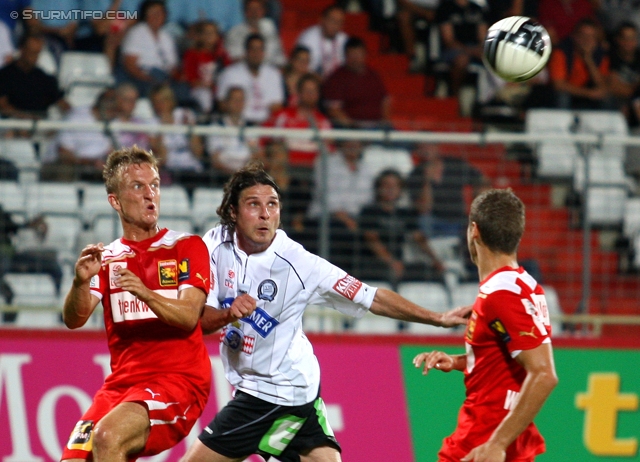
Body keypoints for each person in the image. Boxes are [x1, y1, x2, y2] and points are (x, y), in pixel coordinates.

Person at [181, 161, 471, 462]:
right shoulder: (215, 244)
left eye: (273, 205)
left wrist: (437, 318)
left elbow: (373, 298)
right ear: (232, 212)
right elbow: (199, 321)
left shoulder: (300, 264)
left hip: (271, 393)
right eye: (254, 205)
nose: (265, 214)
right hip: (294, 389)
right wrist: (229, 315)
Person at [60, 146, 256, 461]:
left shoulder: (185, 247)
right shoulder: (107, 258)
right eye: (138, 186)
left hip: (178, 382)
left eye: (155, 184)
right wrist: (80, 282)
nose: (150, 194)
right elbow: (75, 318)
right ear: (115, 201)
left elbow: (189, 317)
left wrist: (145, 292)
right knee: (74, 458)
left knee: (109, 436)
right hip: (122, 386)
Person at [413, 188, 558, 462]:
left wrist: (496, 444)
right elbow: (508, 355)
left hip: (484, 435)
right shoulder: (525, 285)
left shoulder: (501, 296)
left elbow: (544, 373)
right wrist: (459, 361)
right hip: (501, 431)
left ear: (474, 231)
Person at [359, 169, 445, 286]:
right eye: (386, 185)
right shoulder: (369, 212)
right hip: (374, 265)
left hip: (399, 265)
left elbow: (419, 239)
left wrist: (436, 261)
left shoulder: (404, 213)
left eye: (395, 186)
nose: (390, 189)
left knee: (432, 272)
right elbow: (372, 240)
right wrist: (391, 262)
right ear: (378, 188)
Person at [215, 33, 284, 125]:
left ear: (264, 52)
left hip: (265, 126)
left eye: (260, 49)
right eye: (253, 49)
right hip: (238, 123)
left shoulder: (274, 74)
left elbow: (277, 105)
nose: (256, 53)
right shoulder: (229, 73)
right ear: (246, 52)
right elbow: (221, 103)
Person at [322, 36, 390, 128]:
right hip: (353, 130)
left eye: (358, 55)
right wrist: (353, 127)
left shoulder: (373, 75)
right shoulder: (336, 78)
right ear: (345, 56)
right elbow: (333, 110)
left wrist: (385, 121)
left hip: (379, 127)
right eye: (352, 55)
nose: (356, 59)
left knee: (410, 141)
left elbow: (385, 100)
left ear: (365, 54)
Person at [0, 33, 69, 119]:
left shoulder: (45, 79)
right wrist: (27, 118)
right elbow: (3, 106)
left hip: (41, 126)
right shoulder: (4, 75)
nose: (35, 57)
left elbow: (61, 102)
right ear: (22, 49)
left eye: (37, 53)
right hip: (12, 125)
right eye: (32, 52)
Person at [548, 19, 612, 110]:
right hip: (568, 94)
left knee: (607, 98)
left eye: (591, 37)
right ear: (575, 36)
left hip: (587, 95)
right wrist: (589, 93)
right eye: (583, 36)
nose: (587, 40)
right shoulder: (561, 52)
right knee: (562, 97)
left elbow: (602, 85)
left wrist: (589, 60)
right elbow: (559, 85)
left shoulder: (601, 55)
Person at [435, 0, 488, 98]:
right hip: (453, 49)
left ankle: (491, 98)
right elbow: (448, 40)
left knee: (495, 58)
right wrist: (470, 51)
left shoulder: (477, 9)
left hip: (474, 48)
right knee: (462, 60)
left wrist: (479, 49)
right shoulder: (446, 8)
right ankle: (454, 94)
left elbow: (483, 37)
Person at [181, 20, 232, 114]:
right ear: (200, 36)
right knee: (205, 95)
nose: (210, 36)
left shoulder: (221, 55)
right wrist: (208, 85)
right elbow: (191, 80)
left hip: (218, 89)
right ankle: (205, 117)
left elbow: (229, 73)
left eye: (213, 33)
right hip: (200, 90)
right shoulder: (192, 54)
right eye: (207, 33)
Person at [225, 0, 286, 67]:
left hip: (271, 70)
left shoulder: (269, 26)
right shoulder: (234, 32)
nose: (255, 13)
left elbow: (279, 54)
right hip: (245, 70)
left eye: (258, 9)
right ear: (245, 12)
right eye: (251, 9)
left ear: (263, 11)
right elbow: (234, 57)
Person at [296, 4, 348, 78]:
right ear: (322, 20)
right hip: (313, 81)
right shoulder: (308, 38)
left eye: (339, 22)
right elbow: (303, 69)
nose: (335, 25)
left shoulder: (344, 39)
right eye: (332, 20)